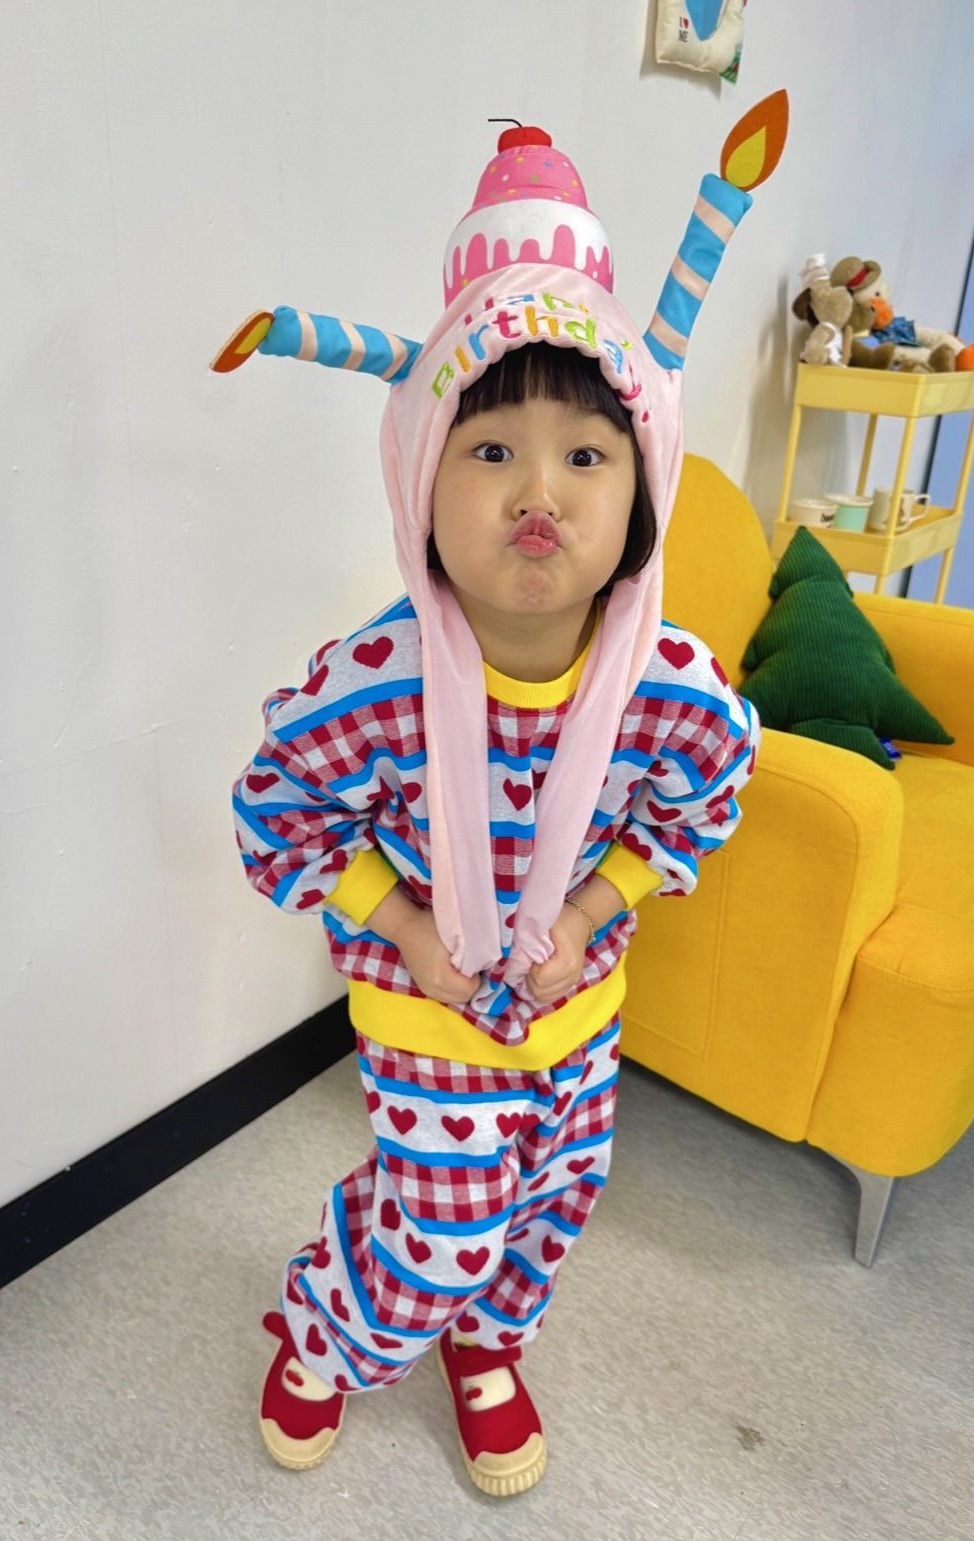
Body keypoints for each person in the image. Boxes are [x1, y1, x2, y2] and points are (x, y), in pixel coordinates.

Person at [229, 126, 761, 1498]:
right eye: (491, 448)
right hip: (432, 1012)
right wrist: (406, 927)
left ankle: (487, 1344)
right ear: (421, 483)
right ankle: (325, 1326)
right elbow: (276, 813)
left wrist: (596, 906)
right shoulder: (375, 684)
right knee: (441, 1235)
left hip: (581, 1015)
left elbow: (702, 805)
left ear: (644, 488)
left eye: (586, 453)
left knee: (547, 1210)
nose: (539, 492)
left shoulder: (675, 690)